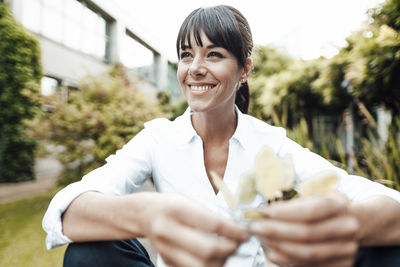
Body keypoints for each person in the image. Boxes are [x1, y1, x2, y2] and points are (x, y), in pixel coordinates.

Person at [43, 5, 400, 267]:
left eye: (214, 54)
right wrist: (146, 213)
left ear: (244, 69)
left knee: (384, 248)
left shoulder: (270, 143)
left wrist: (343, 225)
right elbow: (67, 214)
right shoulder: (157, 139)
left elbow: (386, 206)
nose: (195, 68)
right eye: (186, 55)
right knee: (89, 253)